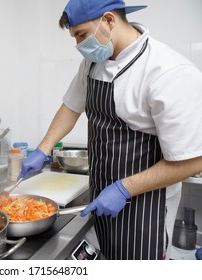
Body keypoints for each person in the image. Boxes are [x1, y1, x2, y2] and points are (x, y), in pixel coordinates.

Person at [19, 0, 202, 260]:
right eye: (75, 38)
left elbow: (192, 161)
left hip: (146, 204)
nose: (79, 45)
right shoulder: (93, 64)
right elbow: (71, 107)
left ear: (108, 20)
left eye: (82, 35)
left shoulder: (168, 72)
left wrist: (123, 189)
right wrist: (42, 148)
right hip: (102, 193)